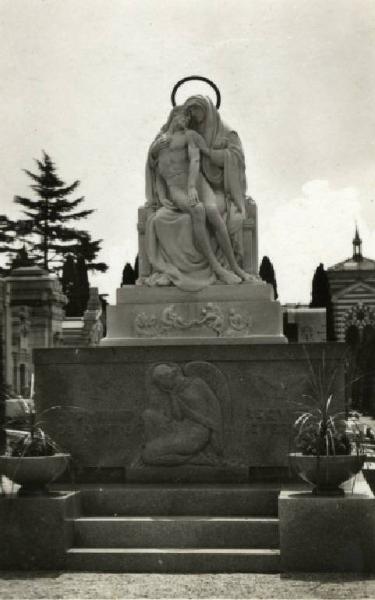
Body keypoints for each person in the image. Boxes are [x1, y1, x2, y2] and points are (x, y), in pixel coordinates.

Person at [145, 102, 252, 290]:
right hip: (176, 188)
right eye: (183, 116)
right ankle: (218, 269)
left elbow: (195, 160)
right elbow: (157, 172)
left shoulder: (190, 136)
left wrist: (193, 186)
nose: (187, 120)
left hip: (196, 183)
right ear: (173, 116)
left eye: (189, 117)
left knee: (212, 211)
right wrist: (161, 195)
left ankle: (235, 268)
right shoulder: (158, 143)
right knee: (198, 210)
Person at [141, 363, 223, 466]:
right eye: (159, 385)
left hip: (196, 434)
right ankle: (190, 458)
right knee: (147, 415)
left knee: (148, 455)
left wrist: (216, 438)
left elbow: (214, 407)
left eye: (161, 383)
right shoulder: (174, 392)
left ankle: (196, 459)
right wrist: (172, 395)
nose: (161, 387)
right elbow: (178, 417)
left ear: (170, 376)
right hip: (180, 428)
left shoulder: (197, 383)